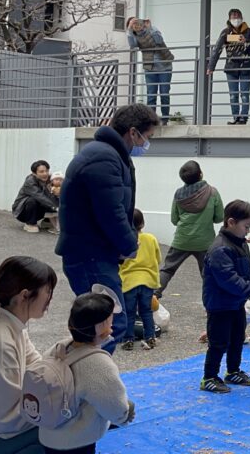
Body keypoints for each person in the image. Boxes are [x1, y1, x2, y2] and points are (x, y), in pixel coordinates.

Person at [56, 103, 159, 354]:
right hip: (90, 256)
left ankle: (90, 386)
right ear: (133, 132)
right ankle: (92, 386)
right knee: (107, 326)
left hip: (93, 252)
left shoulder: (106, 153)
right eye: (148, 137)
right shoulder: (104, 157)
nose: (147, 143)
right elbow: (110, 211)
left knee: (100, 326)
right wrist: (129, 245)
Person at [38, 293, 135, 454]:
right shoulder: (97, 364)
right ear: (104, 332)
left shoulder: (59, 347)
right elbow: (114, 406)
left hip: (48, 433)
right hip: (76, 440)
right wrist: (125, 414)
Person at [0, 256, 57, 454]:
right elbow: (6, 421)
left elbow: (37, 365)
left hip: (2, 426)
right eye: (47, 291)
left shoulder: (11, 322)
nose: (50, 299)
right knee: (69, 429)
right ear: (24, 295)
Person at [200, 200, 250, 394]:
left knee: (237, 338)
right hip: (220, 304)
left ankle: (232, 371)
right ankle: (209, 377)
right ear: (231, 222)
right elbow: (228, 278)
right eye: (246, 226)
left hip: (236, 303)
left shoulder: (240, 243)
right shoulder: (220, 248)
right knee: (219, 342)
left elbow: (247, 267)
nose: (247, 230)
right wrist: (249, 289)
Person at [156, 160, 224, 298]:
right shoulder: (212, 192)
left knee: (168, 269)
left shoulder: (178, 194)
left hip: (182, 240)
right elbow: (219, 218)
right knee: (208, 274)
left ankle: (152, 297)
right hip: (205, 242)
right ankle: (212, 305)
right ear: (201, 174)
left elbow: (174, 220)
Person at [207, 8, 250, 125]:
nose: (235, 18)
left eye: (237, 16)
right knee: (233, 95)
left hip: (246, 67)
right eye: (233, 16)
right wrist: (211, 67)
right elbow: (217, 50)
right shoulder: (225, 32)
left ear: (241, 17)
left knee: (245, 94)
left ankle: (243, 117)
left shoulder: (249, 31)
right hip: (231, 68)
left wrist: (247, 41)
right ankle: (236, 117)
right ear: (229, 19)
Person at [118, 209, 161, 351]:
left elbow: (120, 262)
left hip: (129, 281)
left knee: (129, 312)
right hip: (148, 280)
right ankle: (150, 337)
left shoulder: (123, 240)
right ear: (142, 223)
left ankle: (128, 339)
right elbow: (158, 258)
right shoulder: (151, 238)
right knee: (146, 311)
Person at [126, 17, 175, 125]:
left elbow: (159, 40)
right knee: (151, 95)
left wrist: (150, 27)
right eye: (133, 24)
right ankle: (152, 120)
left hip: (164, 66)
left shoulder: (152, 29)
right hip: (150, 68)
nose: (136, 25)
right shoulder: (134, 36)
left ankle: (165, 119)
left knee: (164, 94)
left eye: (137, 22)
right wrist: (129, 29)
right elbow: (133, 45)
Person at [12, 160, 58, 234]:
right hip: (21, 212)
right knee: (33, 200)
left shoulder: (51, 179)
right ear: (34, 173)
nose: (45, 173)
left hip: (39, 210)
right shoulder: (30, 181)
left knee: (54, 194)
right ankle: (30, 223)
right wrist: (56, 208)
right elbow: (39, 196)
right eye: (41, 172)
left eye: (46, 171)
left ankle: (47, 221)